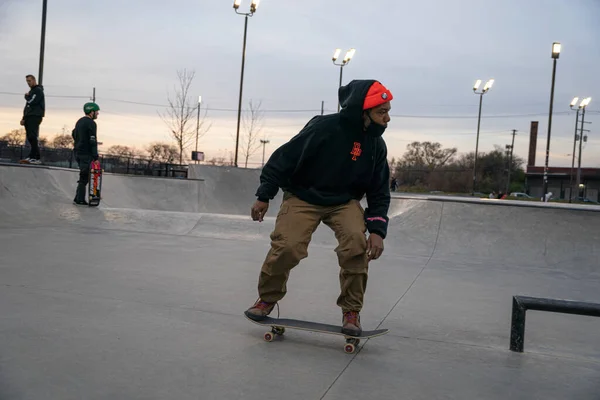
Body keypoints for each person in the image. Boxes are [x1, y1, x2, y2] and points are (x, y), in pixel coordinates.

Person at [244, 79, 393, 336]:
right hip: (303, 195)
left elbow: (379, 190)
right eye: (382, 112)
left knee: (356, 245)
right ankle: (267, 299)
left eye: (388, 111)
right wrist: (264, 195)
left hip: (344, 202)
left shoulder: (375, 146)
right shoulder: (325, 128)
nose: (387, 118)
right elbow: (282, 159)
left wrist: (377, 230)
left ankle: (351, 311)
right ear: (363, 110)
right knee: (288, 246)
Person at [72, 102, 100, 205]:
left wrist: (79, 141)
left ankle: (77, 197)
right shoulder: (91, 123)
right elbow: (93, 140)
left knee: (84, 174)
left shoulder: (79, 121)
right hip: (86, 153)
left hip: (77, 152)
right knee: (84, 176)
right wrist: (95, 156)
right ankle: (79, 199)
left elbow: (73, 133)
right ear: (91, 111)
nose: (97, 114)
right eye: (96, 112)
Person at [19, 74, 45, 164]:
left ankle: (36, 157)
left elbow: (32, 101)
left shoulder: (38, 90)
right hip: (29, 116)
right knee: (30, 137)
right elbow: (27, 107)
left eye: (29, 81)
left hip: (35, 115)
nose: (28, 83)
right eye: (27, 81)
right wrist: (24, 118)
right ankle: (32, 156)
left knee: (32, 136)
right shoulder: (32, 91)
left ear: (34, 80)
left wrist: (26, 97)